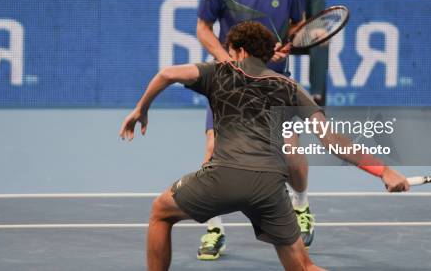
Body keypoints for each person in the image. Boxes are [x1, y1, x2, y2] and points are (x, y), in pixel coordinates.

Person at [119, 21, 410, 271]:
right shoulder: (290, 88)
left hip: (224, 177)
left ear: (241, 51)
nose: (228, 57)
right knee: (304, 266)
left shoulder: (217, 73)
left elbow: (167, 73)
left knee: (161, 212)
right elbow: (332, 140)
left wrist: (141, 109)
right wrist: (383, 171)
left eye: (231, 52)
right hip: (270, 186)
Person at [195, 0, 314, 260]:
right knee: (213, 154)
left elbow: (299, 26)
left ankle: (302, 207)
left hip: (275, 86)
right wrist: (226, 60)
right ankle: (214, 229)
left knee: (293, 159)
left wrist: (289, 44)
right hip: (230, 86)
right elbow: (203, 28)